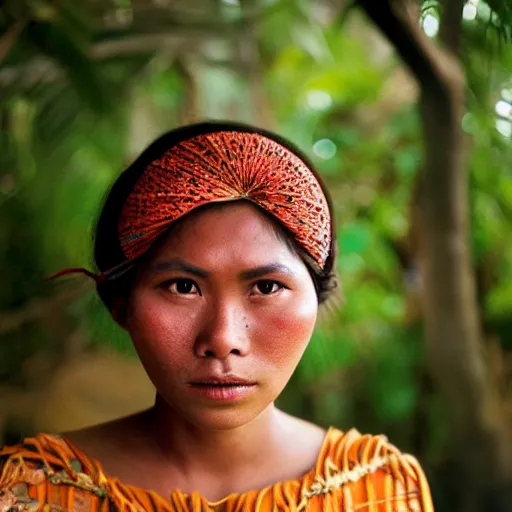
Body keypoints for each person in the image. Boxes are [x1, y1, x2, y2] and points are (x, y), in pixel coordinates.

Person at [0, 122, 434, 511]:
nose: (223, 339)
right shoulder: (29, 492)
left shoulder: (379, 493)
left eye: (266, 287)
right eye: (182, 286)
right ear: (120, 304)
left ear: (315, 299)